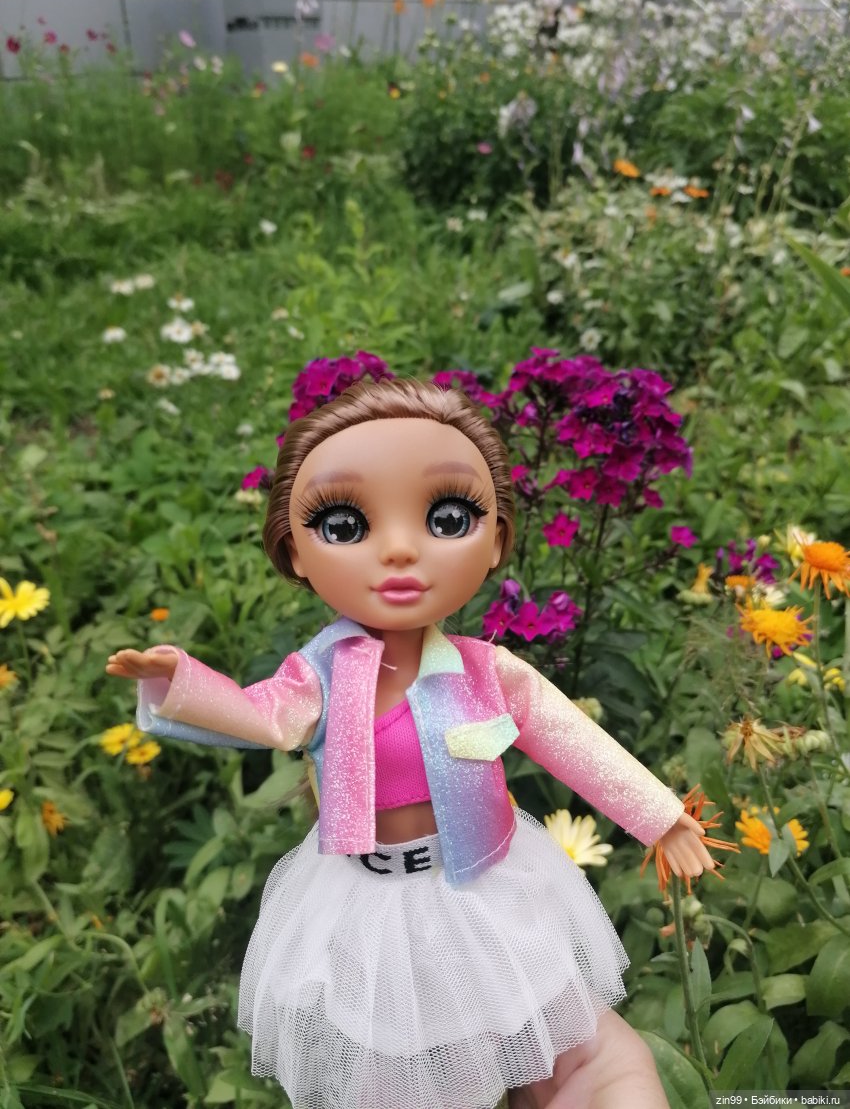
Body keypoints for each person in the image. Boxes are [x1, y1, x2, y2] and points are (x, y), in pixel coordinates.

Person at [107, 378, 713, 1109]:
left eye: (447, 516)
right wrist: (180, 683)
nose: (399, 550)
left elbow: (570, 739)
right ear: (294, 552)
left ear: (496, 540)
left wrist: (660, 816)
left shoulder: (487, 671)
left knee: (549, 1035)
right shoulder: (323, 675)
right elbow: (263, 716)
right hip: (369, 899)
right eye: (342, 524)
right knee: (392, 1060)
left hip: (486, 882)